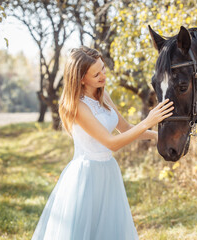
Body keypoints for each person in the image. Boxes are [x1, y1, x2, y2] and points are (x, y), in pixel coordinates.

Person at [32, 46, 174, 240]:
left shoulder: (103, 96)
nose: (103, 76)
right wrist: (148, 121)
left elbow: (125, 128)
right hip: (86, 176)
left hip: (108, 171)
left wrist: (157, 135)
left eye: (103, 69)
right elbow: (112, 143)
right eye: (96, 74)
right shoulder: (78, 106)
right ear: (81, 78)